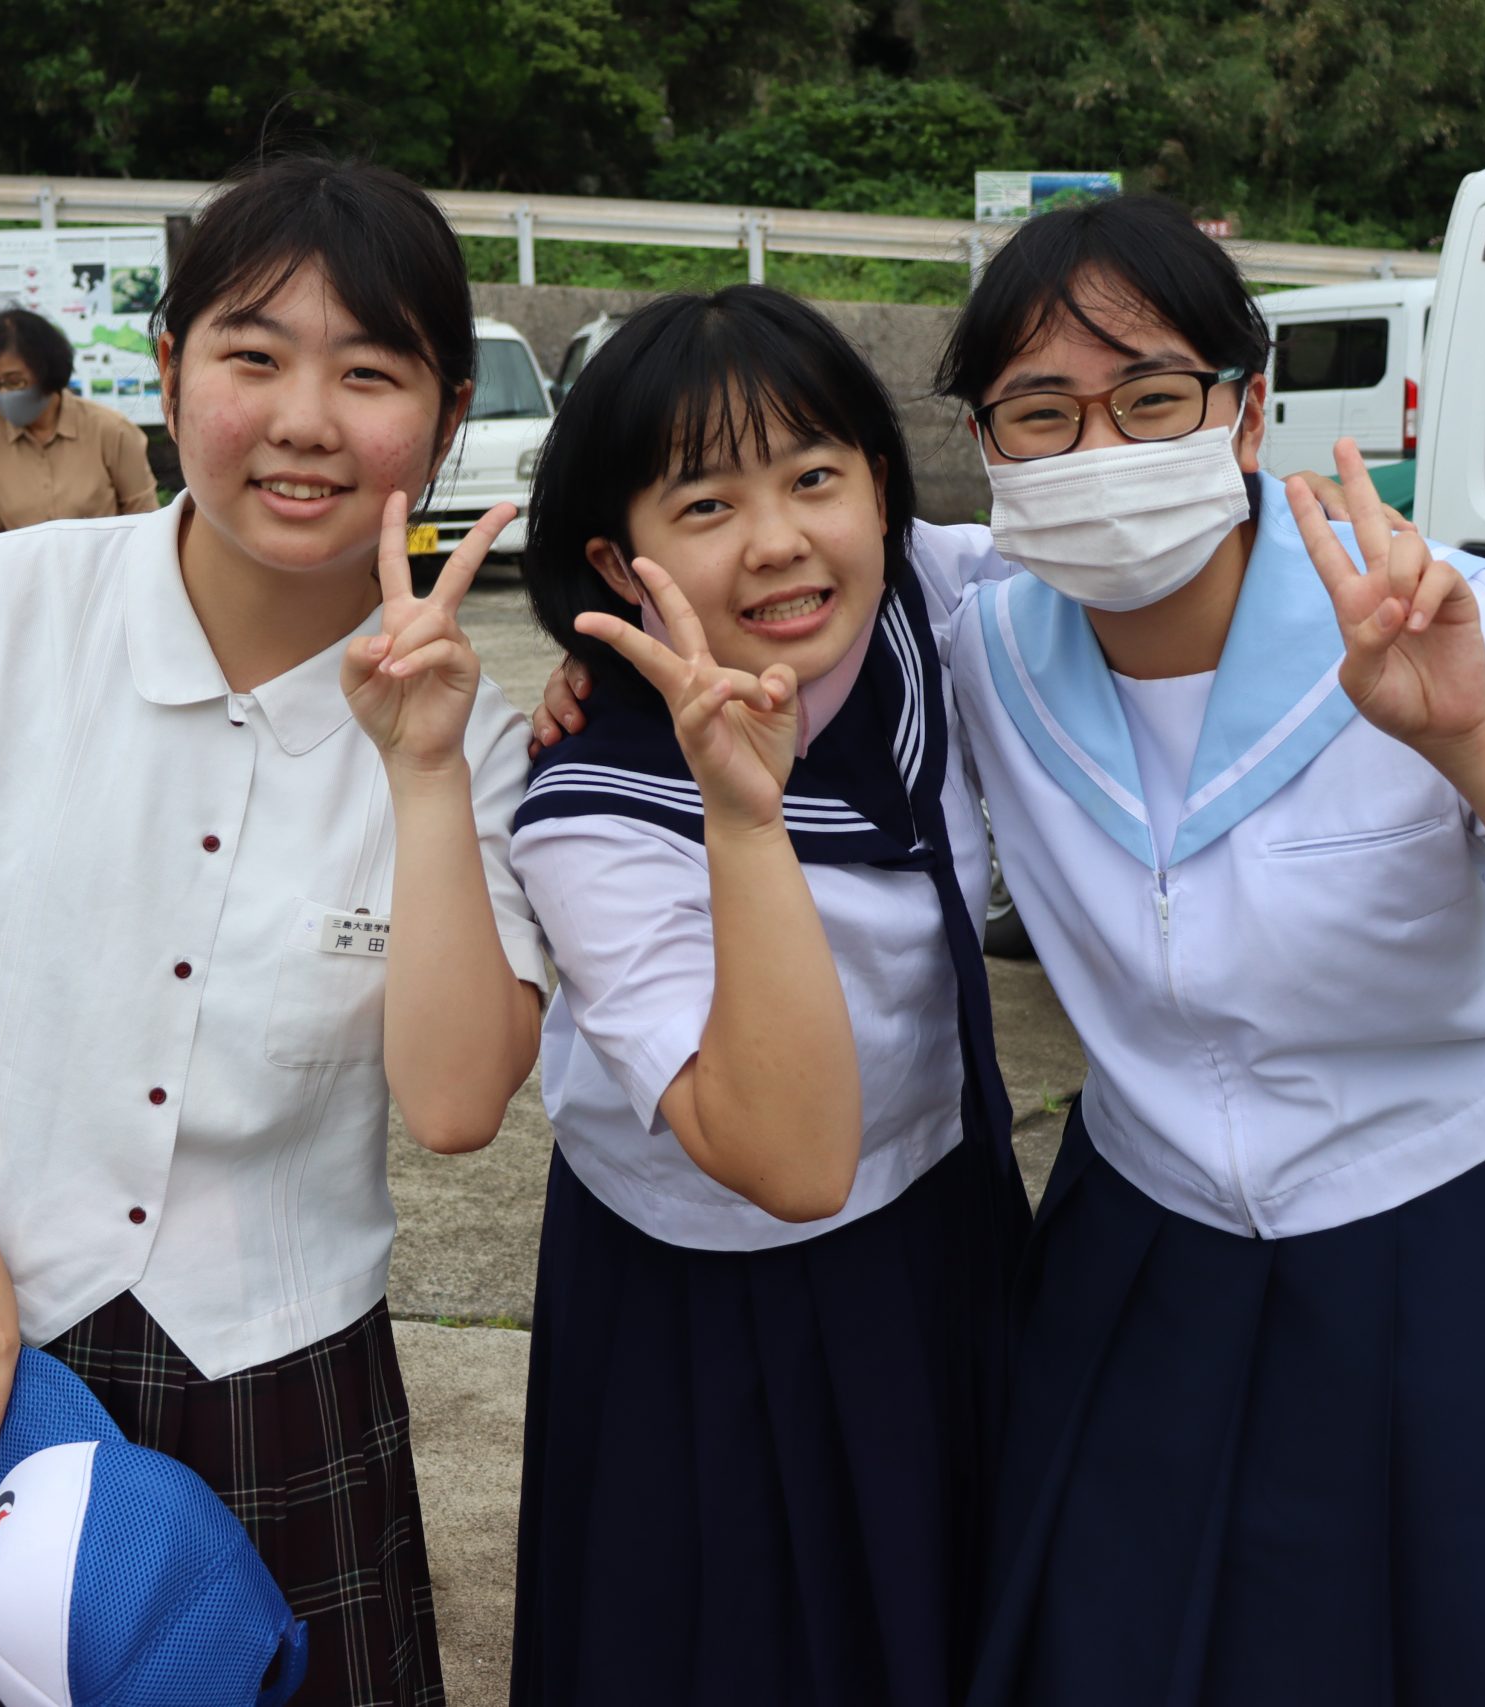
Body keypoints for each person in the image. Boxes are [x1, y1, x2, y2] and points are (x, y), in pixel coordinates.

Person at [0, 155, 546, 1707]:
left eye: (370, 372)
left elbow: (458, 1102)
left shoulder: (475, 742)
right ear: (172, 369)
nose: (306, 419)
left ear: (447, 416)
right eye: (255, 356)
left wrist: (421, 772)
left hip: (277, 1367)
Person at [935, 194, 1485, 1704]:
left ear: (1247, 413)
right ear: (988, 443)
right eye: (1042, 412)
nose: (1098, 449)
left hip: (1442, 1240)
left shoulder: (1434, 612)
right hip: (1143, 1246)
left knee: (1484, 1643)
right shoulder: (984, 641)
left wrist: (1473, 736)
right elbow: (774, 552)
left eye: (1150, 397)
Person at [507, 285, 1027, 1706]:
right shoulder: (598, 809)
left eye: (814, 477)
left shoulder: (924, 603)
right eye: (707, 504)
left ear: (883, 488)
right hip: (712, 1303)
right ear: (617, 560)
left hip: (946, 1225)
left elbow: (1122, 563)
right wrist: (745, 818)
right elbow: (786, 1164)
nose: (780, 539)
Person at [0, 306, 157, 539]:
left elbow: (146, 522)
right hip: (21, 564)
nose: (4, 393)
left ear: (47, 372)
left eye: (16, 382)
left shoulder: (111, 429)